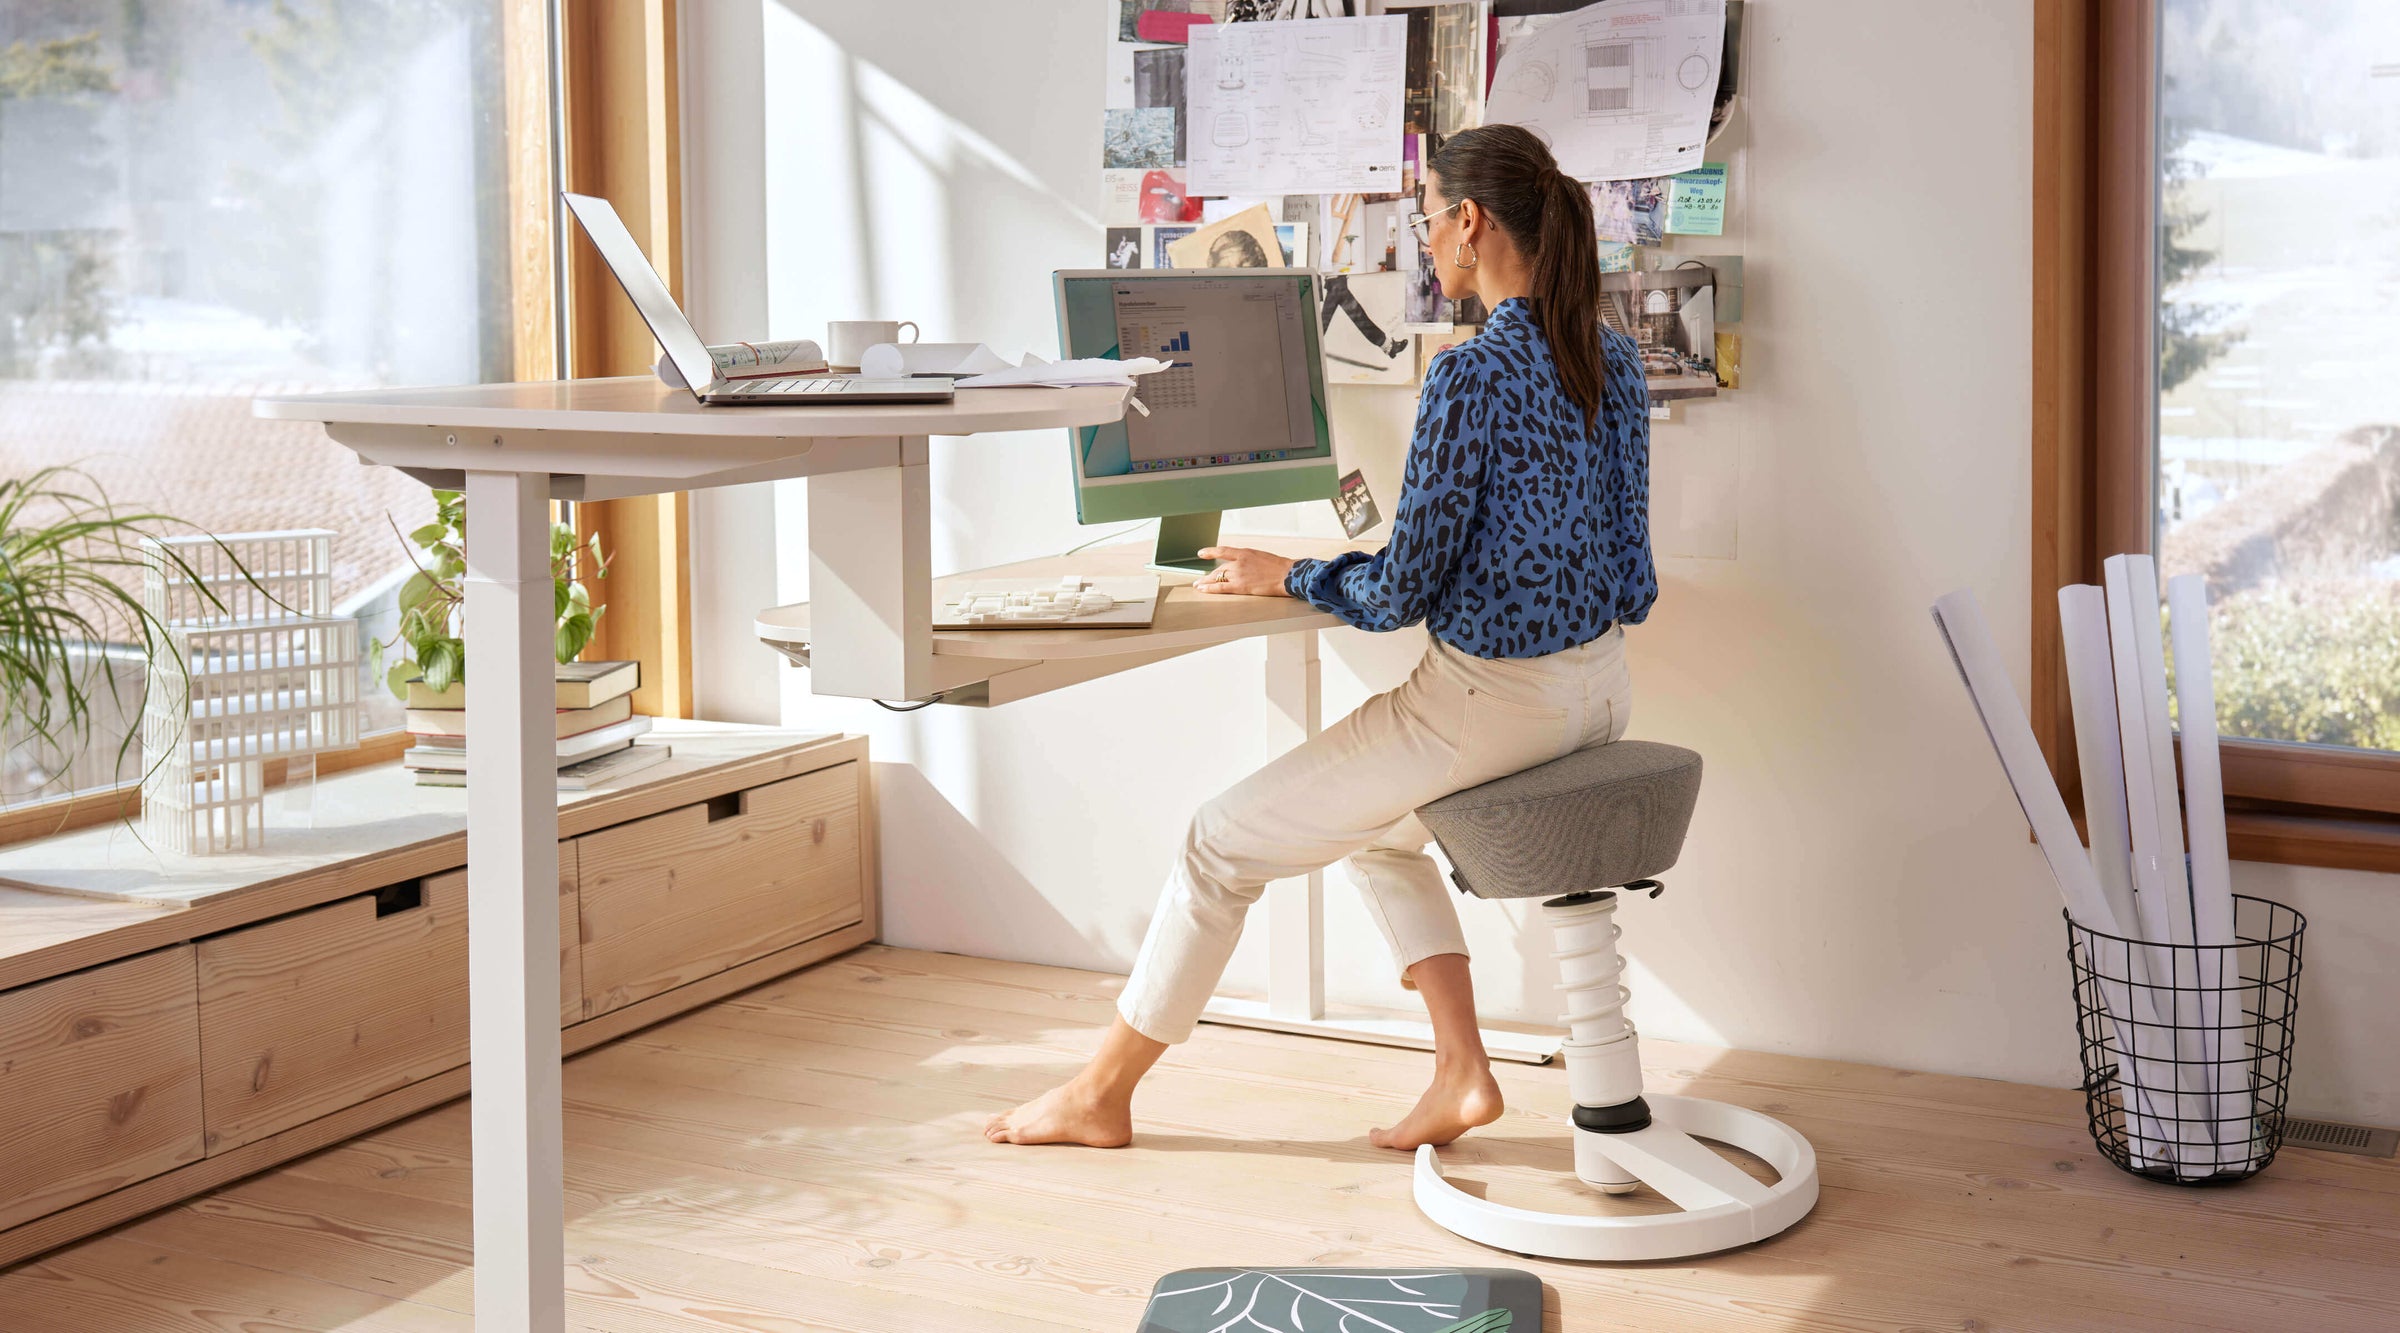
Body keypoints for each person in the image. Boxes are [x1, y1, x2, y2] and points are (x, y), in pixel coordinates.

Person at [987, 123, 1656, 1151]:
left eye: (1429, 217)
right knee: (1380, 834)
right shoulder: (1612, 360)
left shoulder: (1469, 375)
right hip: (1603, 692)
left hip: (1492, 705)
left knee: (1218, 844)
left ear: (1470, 223)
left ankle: (1100, 1094)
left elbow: (1396, 596)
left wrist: (1289, 573)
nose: (1428, 240)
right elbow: (1634, 580)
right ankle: (1462, 1072)